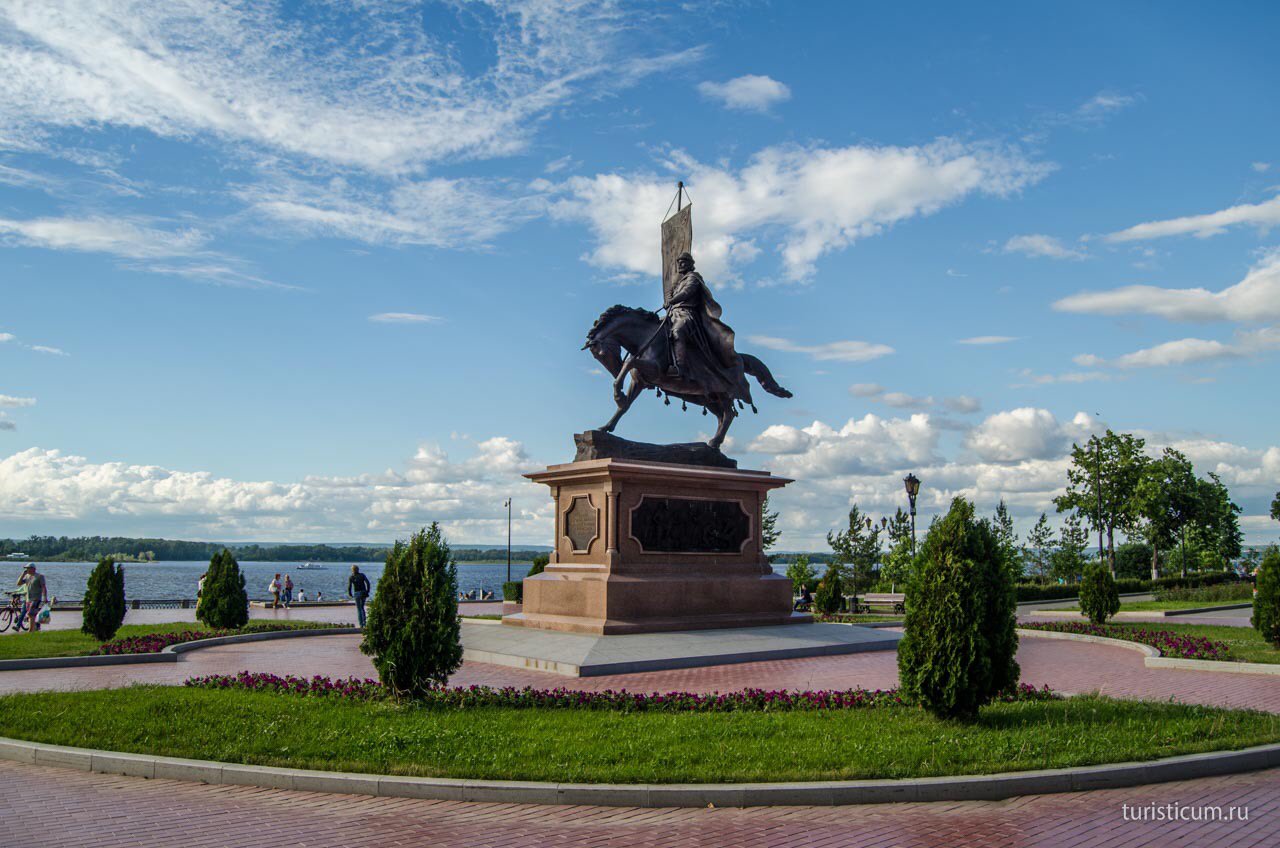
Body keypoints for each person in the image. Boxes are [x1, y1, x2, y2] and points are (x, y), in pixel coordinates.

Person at [19, 564, 48, 634]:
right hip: (28, 599)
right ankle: (35, 627)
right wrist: (23, 575)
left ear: (33, 568)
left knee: (30, 614)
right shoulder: (27, 576)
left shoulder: (40, 576)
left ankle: (30, 631)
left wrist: (45, 597)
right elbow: (19, 583)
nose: (27, 570)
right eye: (26, 568)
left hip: (36, 598)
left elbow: (44, 587)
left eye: (28, 568)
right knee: (31, 615)